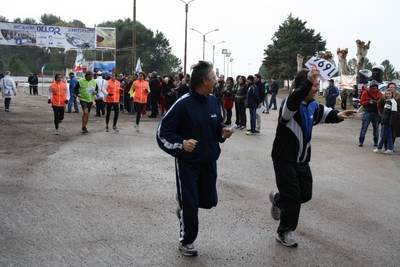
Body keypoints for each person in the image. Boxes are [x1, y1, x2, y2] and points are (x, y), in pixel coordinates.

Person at [269, 69, 356, 247]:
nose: (317, 89)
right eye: (314, 85)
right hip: (284, 159)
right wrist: (308, 82)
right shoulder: (289, 104)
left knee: (305, 195)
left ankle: (279, 198)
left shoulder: (312, 105)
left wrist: (339, 115)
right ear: (304, 86)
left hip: (302, 161)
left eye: (316, 85)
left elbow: (324, 114)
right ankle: (284, 231)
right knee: (293, 199)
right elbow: (293, 101)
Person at [156, 61, 234, 257]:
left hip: (209, 161)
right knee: (190, 203)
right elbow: (162, 133)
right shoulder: (182, 104)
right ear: (204, 80)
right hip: (188, 163)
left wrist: (222, 131)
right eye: (214, 77)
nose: (217, 80)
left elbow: (215, 126)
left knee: (208, 201)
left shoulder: (212, 101)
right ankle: (187, 241)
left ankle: (184, 205)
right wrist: (182, 143)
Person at [358, 80, 382, 147]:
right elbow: (362, 102)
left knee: (376, 128)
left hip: (376, 112)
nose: (374, 89)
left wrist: (377, 103)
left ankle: (376, 141)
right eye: (373, 88)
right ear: (370, 87)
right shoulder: (366, 92)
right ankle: (361, 141)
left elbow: (382, 103)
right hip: (367, 111)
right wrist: (368, 102)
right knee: (364, 127)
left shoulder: (380, 94)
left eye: (376, 88)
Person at [374, 88, 397, 154]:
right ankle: (390, 148)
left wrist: (391, 122)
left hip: (388, 121)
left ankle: (379, 147)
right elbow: (385, 113)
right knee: (389, 135)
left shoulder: (393, 102)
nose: (388, 95)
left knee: (384, 135)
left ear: (392, 94)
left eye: (390, 94)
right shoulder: (387, 101)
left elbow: (393, 113)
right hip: (385, 120)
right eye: (387, 94)